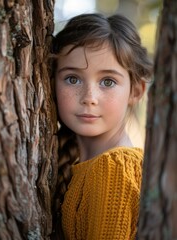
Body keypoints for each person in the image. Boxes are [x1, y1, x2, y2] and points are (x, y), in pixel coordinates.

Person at [51, 13, 153, 240]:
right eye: (73, 79)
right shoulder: (84, 166)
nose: (89, 97)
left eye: (108, 81)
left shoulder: (113, 169)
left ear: (136, 91)